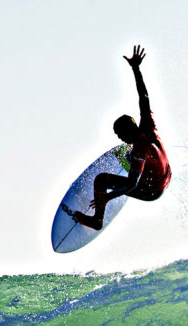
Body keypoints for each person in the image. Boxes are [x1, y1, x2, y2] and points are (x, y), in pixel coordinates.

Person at [64, 45, 172, 230]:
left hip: (152, 191)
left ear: (128, 131)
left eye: (120, 135)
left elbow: (131, 185)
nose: (120, 139)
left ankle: (97, 220)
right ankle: (135, 168)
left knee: (102, 180)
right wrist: (136, 68)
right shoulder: (147, 126)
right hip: (166, 177)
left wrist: (107, 196)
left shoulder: (139, 149)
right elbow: (143, 97)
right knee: (125, 154)